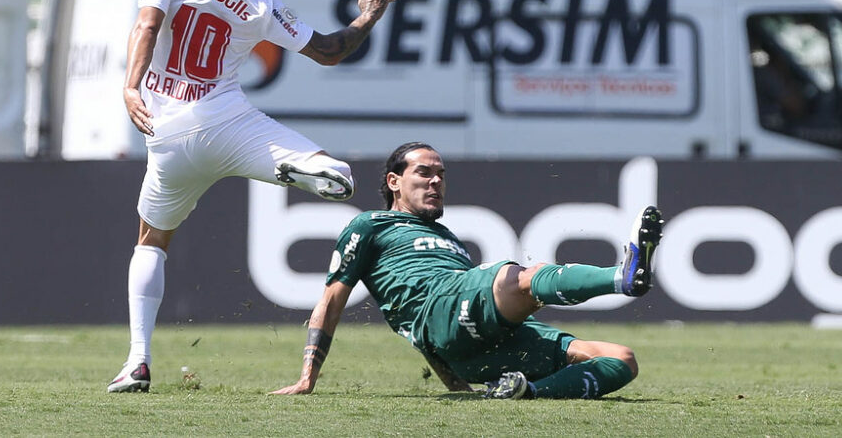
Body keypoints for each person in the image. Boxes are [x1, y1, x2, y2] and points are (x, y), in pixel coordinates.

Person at [107, 0, 396, 393]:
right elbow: (328, 52)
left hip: (167, 132)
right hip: (228, 123)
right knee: (339, 173)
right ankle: (304, 167)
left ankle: (137, 360)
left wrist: (131, 87)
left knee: (151, 242)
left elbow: (147, 24)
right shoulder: (260, 2)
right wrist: (366, 17)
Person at [273, 142, 664, 400]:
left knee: (620, 358)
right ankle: (621, 277)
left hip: (473, 348)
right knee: (524, 277)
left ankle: (527, 393)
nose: (436, 182)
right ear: (394, 181)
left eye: (441, 174)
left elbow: (428, 334)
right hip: (442, 311)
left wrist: (455, 383)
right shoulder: (371, 226)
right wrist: (308, 376)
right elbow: (331, 299)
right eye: (424, 173)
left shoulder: (447, 237)